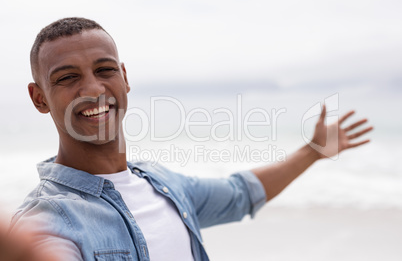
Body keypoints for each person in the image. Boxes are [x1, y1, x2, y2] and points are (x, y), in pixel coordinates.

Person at [7, 17, 372, 261]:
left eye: (104, 70)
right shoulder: (49, 219)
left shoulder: (162, 183)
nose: (93, 88)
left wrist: (312, 151)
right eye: (67, 78)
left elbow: (240, 193)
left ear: (125, 78)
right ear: (39, 98)